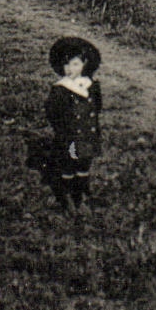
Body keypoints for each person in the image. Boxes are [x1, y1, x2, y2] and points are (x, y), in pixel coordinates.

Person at [44, 36, 103, 213]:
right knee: (69, 163)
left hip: (86, 134)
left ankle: (81, 193)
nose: (70, 69)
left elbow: (97, 106)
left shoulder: (91, 86)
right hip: (69, 137)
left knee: (84, 163)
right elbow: (52, 112)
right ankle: (68, 196)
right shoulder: (61, 88)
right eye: (66, 65)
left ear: (84, 64)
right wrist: (62, 130)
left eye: (75, 64)